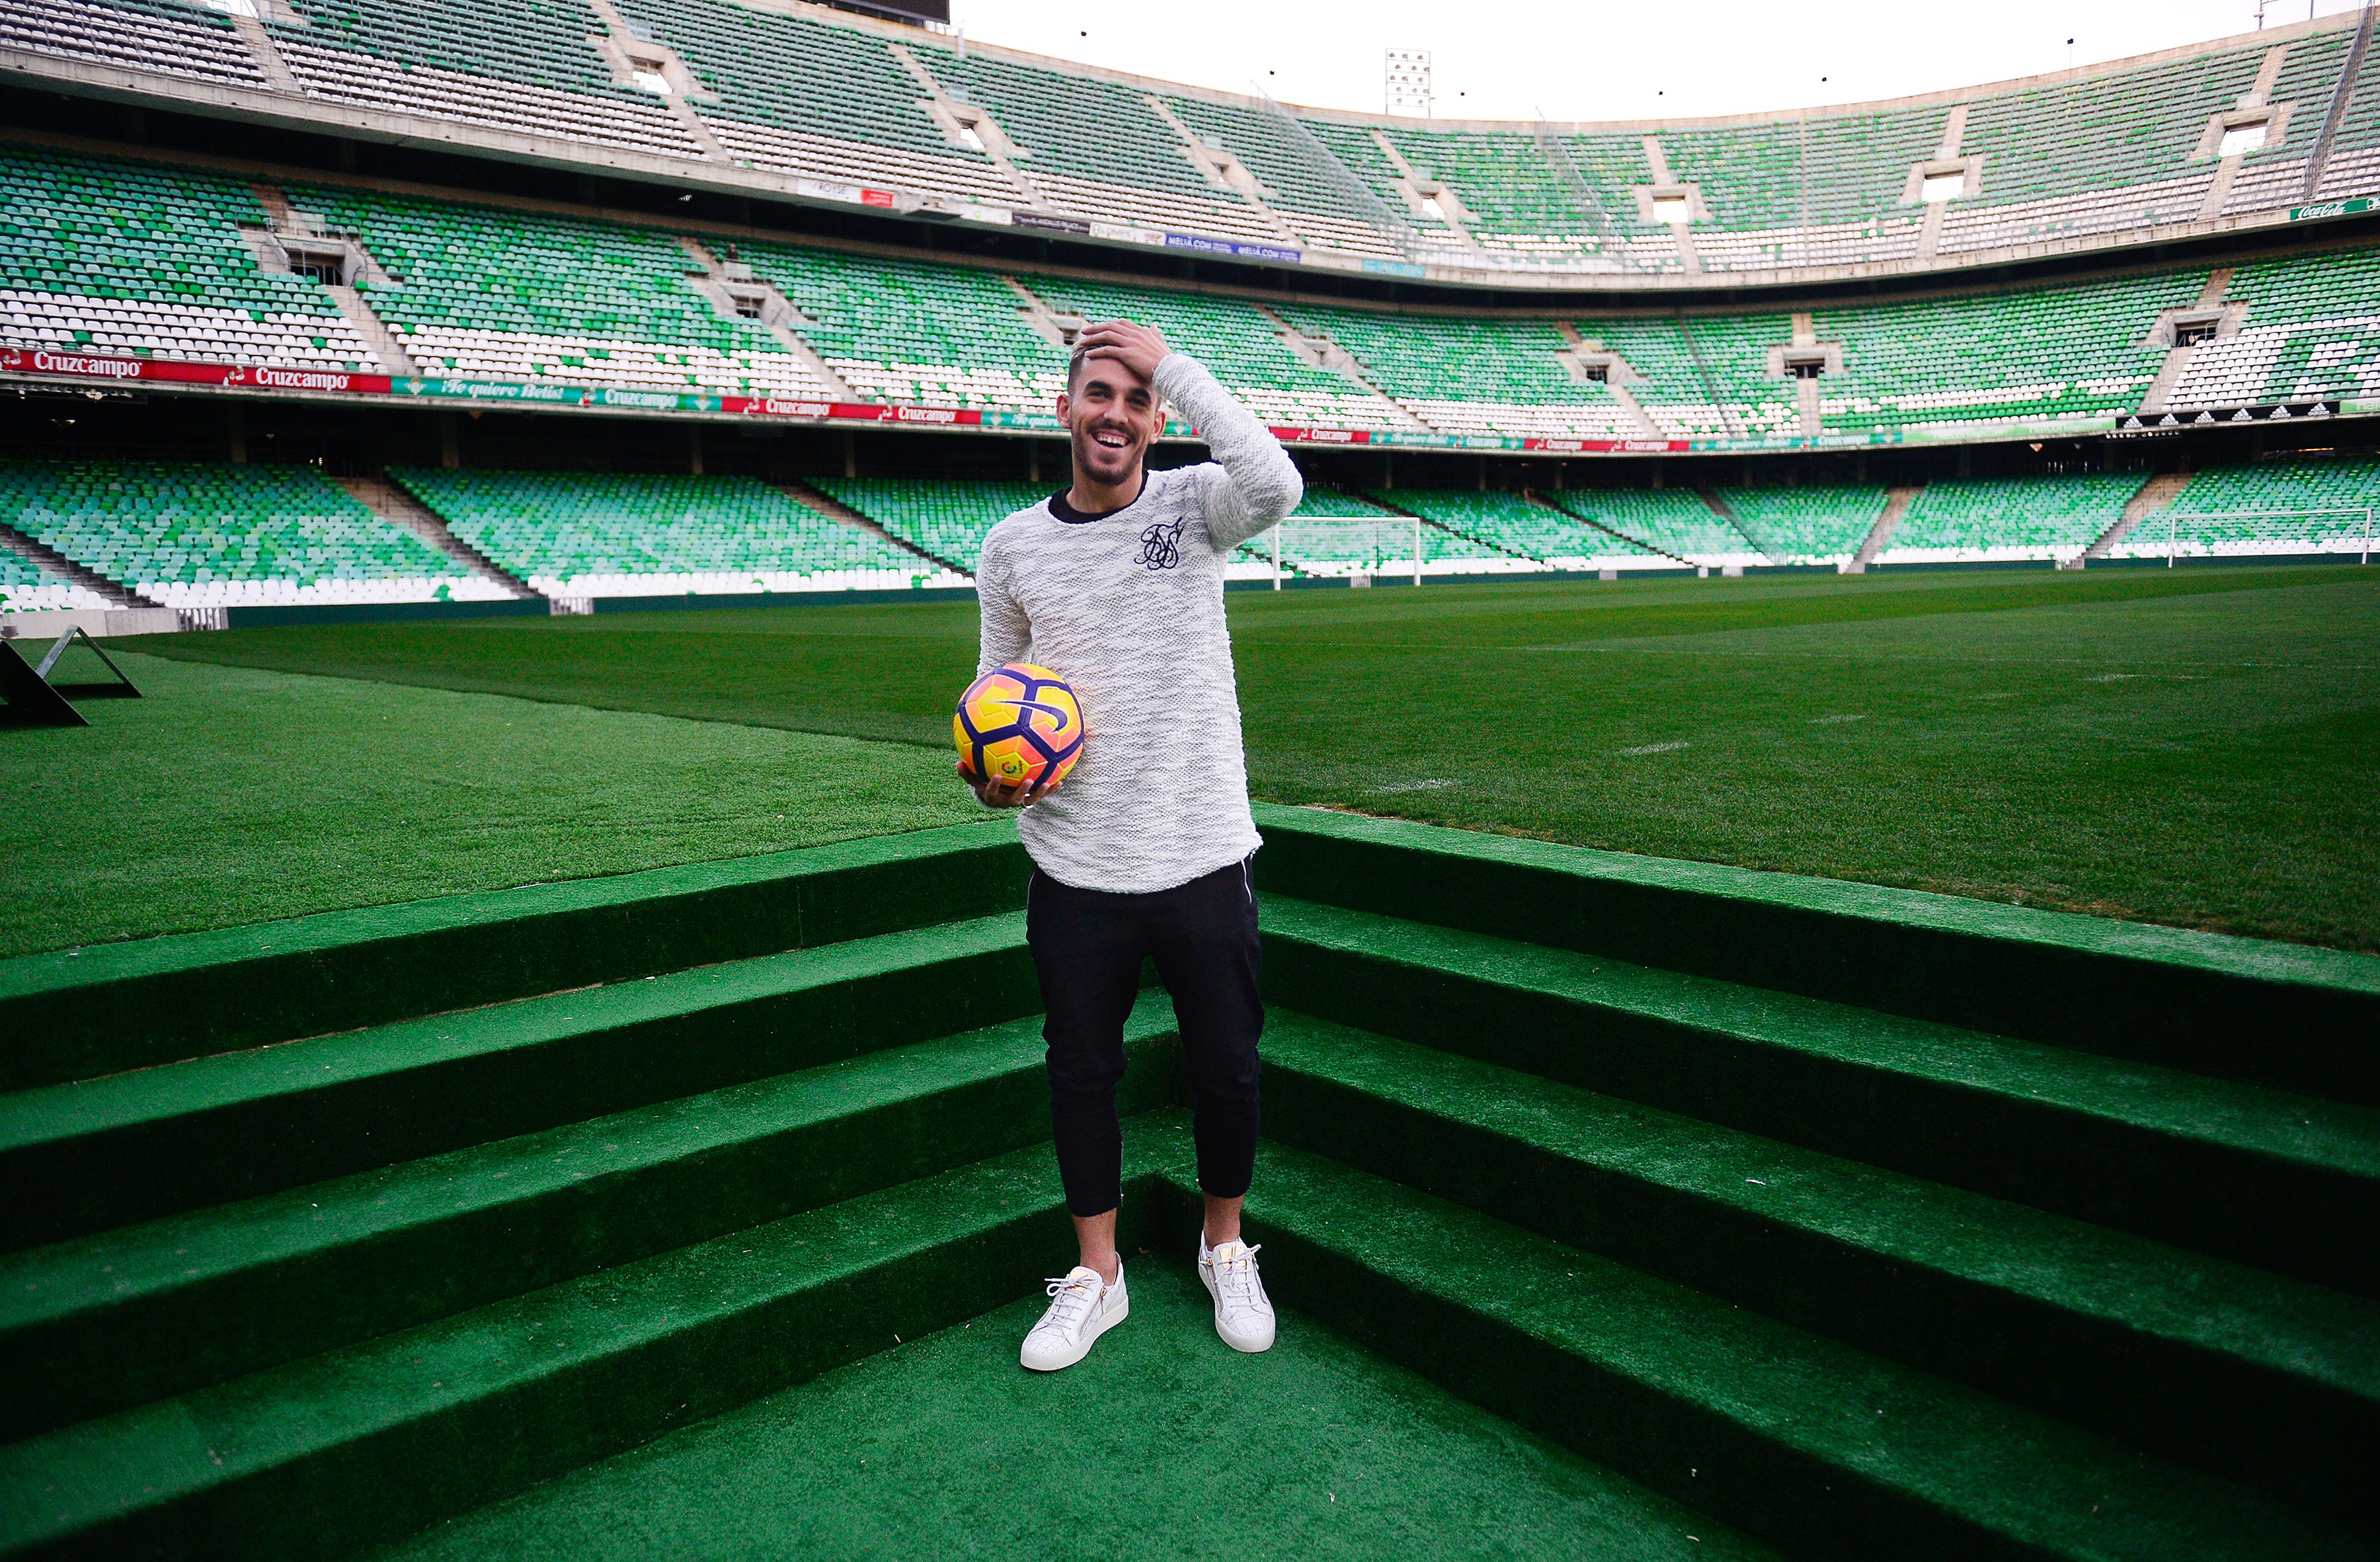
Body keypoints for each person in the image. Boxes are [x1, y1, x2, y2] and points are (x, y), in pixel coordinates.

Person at [966, 318, 1301, 1372]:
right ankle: (1097, 1276)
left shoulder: (1196, 504)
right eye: (1097, 394)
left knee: (1227, 1070)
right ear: (1064, 409)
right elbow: (994, 688)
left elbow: (1279, 482)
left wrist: (1177, 365)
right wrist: (990, 769)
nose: (1116, 413)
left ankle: (1223, 1245)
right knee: (1081, 1074)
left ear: (1157, 416)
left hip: (1202, 846)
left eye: (1135, 397)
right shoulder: (1011, 545)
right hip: (1075, 863)